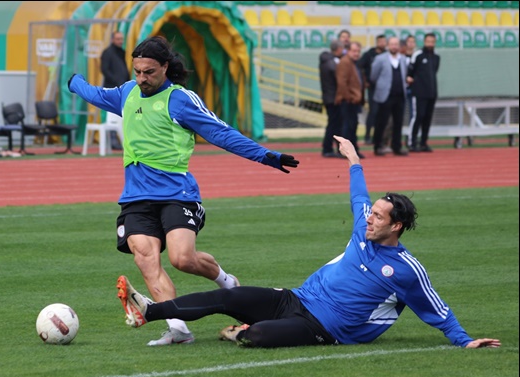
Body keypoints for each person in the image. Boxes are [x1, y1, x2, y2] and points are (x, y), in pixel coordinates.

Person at [116, 135, 502, 350]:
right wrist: (352, 157)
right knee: (230, 298)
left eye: (379, 216)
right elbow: (358, 194)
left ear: (396, 227)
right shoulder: (363, 226)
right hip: (295, 298)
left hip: (325, 327)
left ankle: (244, 329)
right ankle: (148, 312)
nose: (369, 217)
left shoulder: (405, 268)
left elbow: (435, 308)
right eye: (372, 212)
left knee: (258, 336)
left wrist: (465, 341)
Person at [68, 36, 300, 346]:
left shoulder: (180, 100)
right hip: (136, 198)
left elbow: (221, 133)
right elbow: (95, 94)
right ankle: (178, 328)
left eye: (149, 72)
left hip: (178, 194)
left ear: (165, 67)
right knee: (145, 257)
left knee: (182, 258)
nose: (141, 79)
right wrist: (75, 82)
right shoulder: (128, 93)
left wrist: (266, 156)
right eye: (137, 71)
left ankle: (225, 281)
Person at [370, 36, 410, 156]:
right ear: (388, 45)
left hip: (400, 96)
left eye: (396, 44)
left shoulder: (403, 59)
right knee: (381, 122)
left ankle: (396, 147)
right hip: (385, 96)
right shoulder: (380, 59)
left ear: (399, 46)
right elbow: (373, 76)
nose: (394, 46)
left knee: (398, 123)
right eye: (392, 44)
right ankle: (377, 146)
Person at [407, 33, 440, 153]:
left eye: (432, 41)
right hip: (419, 92)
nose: (430, 44)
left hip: (431, 93)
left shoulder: (436, 57)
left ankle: (423, 142)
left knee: (427, 118)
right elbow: (410, 72)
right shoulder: (418, 55)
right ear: (424, 41)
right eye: (428, 41)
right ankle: (411, 142)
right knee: (418, 116)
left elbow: (435, 71)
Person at [100, 31, 130, 151]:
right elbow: (105, 70)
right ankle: (112, 138)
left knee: (122, 112)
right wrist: (116, 81)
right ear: (112, 39)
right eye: (118, 39)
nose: (120, 41)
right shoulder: (107, 53)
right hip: (111, 88)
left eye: (122, 39)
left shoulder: (122, 52)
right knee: (111, 113)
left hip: (122, 88)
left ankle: (122, 138)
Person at [335, 41, 365, 159]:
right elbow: (342, 82)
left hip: (353, 101)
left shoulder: (353, 63)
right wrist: (349, 97)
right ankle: (346, 151)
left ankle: (353, 150)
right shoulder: (345, 62)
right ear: (348, 51)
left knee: (352, 126)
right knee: (347, 126)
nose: (356, 54)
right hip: (348, 101)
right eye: (354, 51)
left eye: (358, 51)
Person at [358, 34, 387, 145]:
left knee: (384, 114)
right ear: (377, 42)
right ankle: (368, 136)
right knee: (373, 112)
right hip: (373, 88)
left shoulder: (387, 55)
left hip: (385, 88)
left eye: (384, 41)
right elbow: (360, 67)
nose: (382, 44)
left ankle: (381, 138)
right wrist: (365, 81)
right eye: (380, 41)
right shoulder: (369, 54)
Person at [319, 39, 344, 158]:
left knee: (334, 124)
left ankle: (329, 147)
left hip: (330, 96)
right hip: (333, 98)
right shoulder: (331, 62)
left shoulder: (327, 61)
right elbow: (337, 75)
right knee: (334, 124)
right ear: (338, 49)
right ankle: (327, 148)